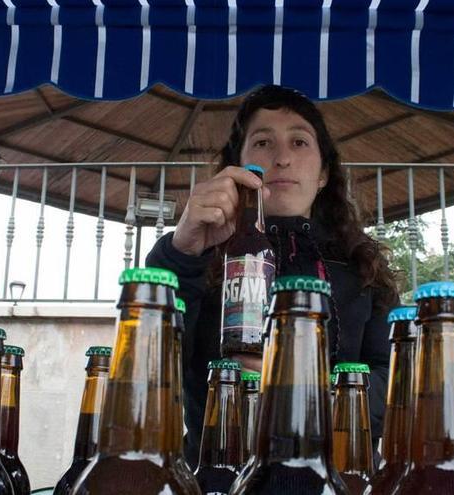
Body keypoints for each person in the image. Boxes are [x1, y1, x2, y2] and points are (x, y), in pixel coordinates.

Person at [146, 85, 398, 468]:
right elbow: (149, 364)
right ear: (238, 166)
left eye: (299, 142)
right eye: (263, 143)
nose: (282, 158)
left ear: (324, 173)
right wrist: (181, 252)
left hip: (340, 476)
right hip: (217, 475)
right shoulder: (200, 256)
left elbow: (396, 382)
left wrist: (295, 392)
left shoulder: (364, 268)